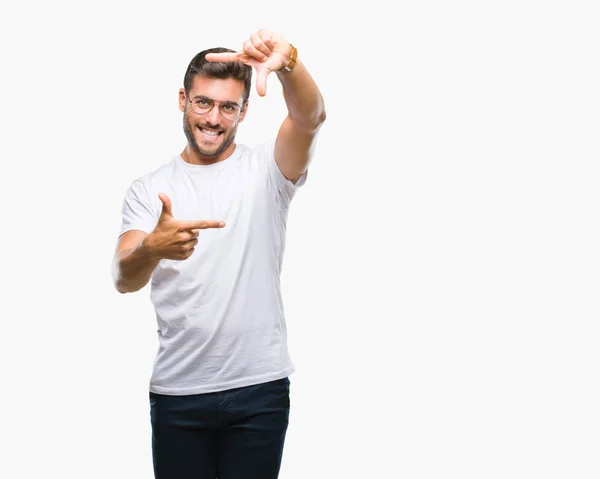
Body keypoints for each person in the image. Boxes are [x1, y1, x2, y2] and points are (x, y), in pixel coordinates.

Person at [111, 29, 326, 479]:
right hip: (178, 393)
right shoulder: (148, 189)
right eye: (203, 102)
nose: (213, 118)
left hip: (258, 390)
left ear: (244, 112)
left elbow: (310, 118)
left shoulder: (267, 169)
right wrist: (153, 246)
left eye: (228, 106)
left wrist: (289, 64)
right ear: (183, 100)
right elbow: (123, 277)